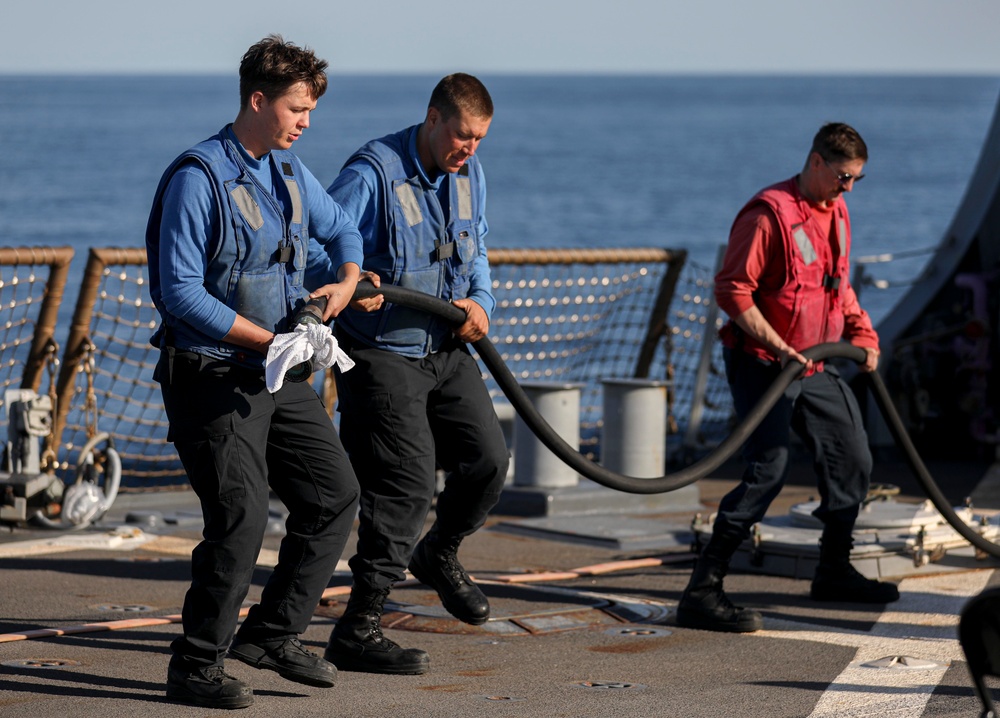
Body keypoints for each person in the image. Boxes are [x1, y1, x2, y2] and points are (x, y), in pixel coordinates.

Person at [145, 35, 363, 708]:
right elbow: (178, 293)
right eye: (298, 108)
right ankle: (197, 664)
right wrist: (266, 338)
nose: (306, 122)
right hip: (212, 378)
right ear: (258, 100)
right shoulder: (198, 177)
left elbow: (345, 231)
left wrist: (347, 283)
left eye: (312, 110)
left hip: (279, 373)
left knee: (334, 496)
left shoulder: (292, 174)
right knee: (239, 519)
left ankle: (272, 633)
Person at [319, 73, 510, 675]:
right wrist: (356, 282)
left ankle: (440, 552)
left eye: (479, 139)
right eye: (461, 135)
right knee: (404, 485)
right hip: (381, 352)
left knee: (488, 462)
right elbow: (319, 246)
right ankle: (359, 627)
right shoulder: (372, 172)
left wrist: (481, 301)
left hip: (447, 343)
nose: (469, 149)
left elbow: (475, 249)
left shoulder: (470, 174)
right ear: (432, 119)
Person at [676, 122, 900, 634]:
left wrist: (864, 335)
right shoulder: (767, 215)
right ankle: (703, 590)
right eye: (843, 176)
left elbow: (836, 288)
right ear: (816, 161)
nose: (848, 188)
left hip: (814, 364)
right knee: (768, 473)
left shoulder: (838, 213)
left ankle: (834, 570)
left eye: (856, 181)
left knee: (853, 458)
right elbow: (733, 292)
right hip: (763, 365)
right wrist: (779, 347)